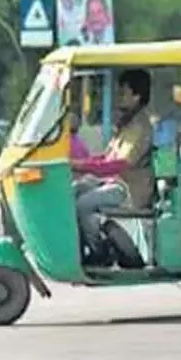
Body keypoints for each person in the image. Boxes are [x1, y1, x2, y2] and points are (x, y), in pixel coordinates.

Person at [71, 68, 154, 261]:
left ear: (136, 96)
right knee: (73, 190)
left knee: (82, 204)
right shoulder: (127, 124)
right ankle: (82, 248)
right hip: (114, 182)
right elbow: (106, 159)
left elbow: (118, 165)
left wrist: (81, 166)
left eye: (123, 93)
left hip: (128, 190)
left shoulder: (140, 127)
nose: (119, 97)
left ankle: (98, 253)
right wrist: (77, 163)